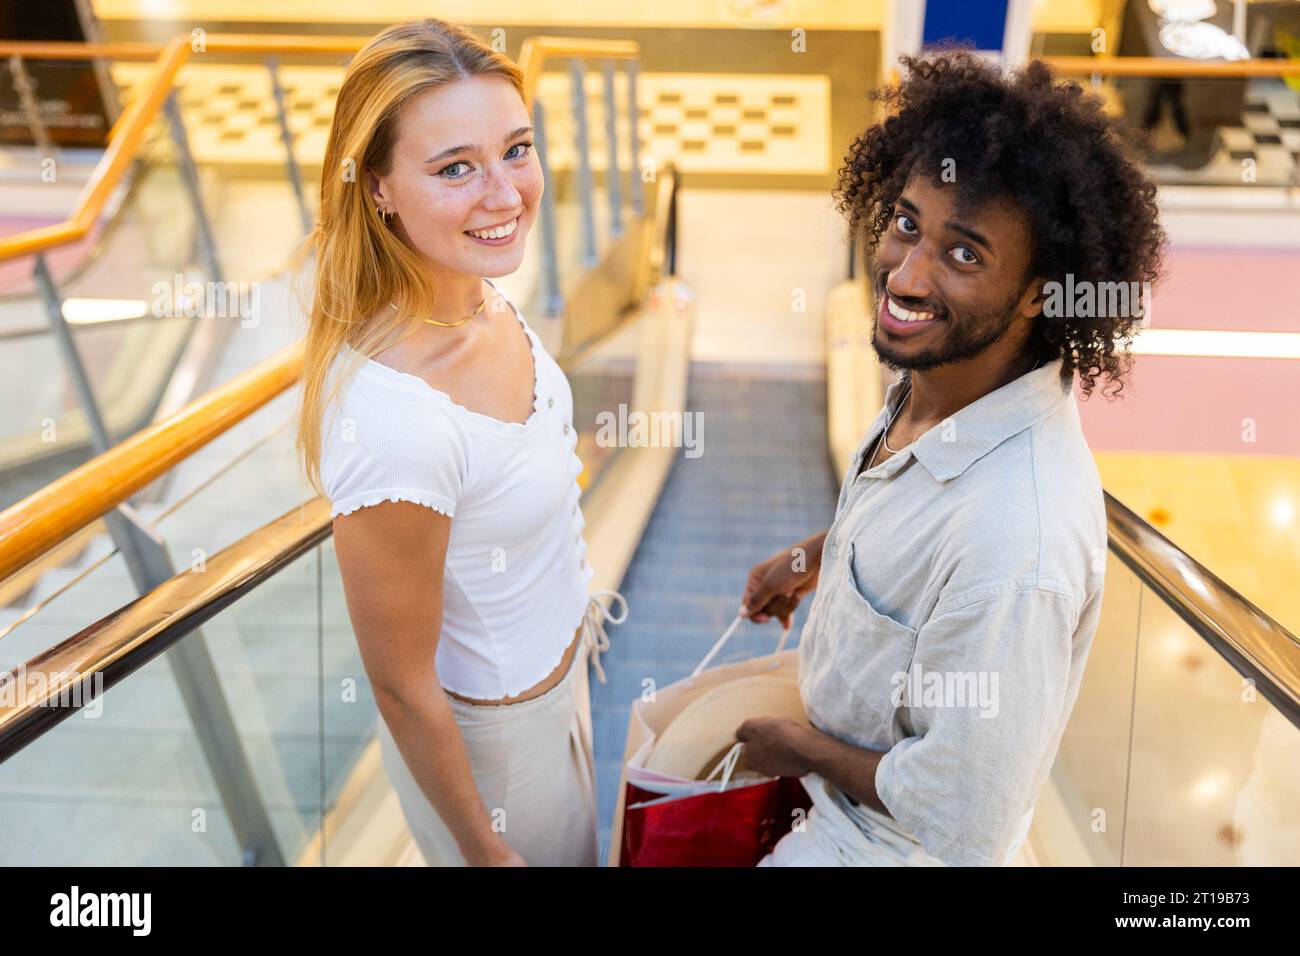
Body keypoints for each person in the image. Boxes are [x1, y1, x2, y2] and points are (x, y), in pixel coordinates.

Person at [736, 51, 1166, 866]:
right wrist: (816, 558)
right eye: (906, 223)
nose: (905, 273)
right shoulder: (941, 383)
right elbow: (918, 543)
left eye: (964, 254)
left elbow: (960, 816)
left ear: (1042, 291)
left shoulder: (1017, 545)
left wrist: (798, 749)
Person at [295, 18, 624, 866]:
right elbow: (403, 687)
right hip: (501, 753)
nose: (506, 194)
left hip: (561, 685)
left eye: (516, 149)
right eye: (454, 169)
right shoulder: (396, 422)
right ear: (378, 188)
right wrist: (485, 848)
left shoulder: (477, 293)